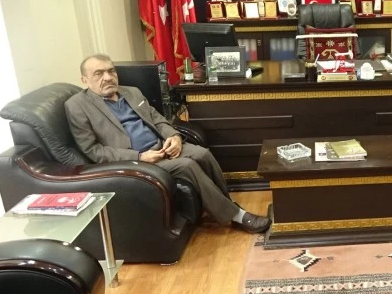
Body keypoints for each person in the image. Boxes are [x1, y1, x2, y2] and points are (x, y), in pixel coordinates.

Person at [65, 54, 271, 233]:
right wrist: (139, 157)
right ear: (85, 80)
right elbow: (93, 150)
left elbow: (157, 119)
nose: (108, 77)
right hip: (136, 160)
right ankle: (236, 216)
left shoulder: (132, 92)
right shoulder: (77, 106)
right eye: (99, 74)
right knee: (187, 165)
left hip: (162, 147)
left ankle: (226, 205)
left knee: (202, 154)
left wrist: (174, 137)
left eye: (111, 71)